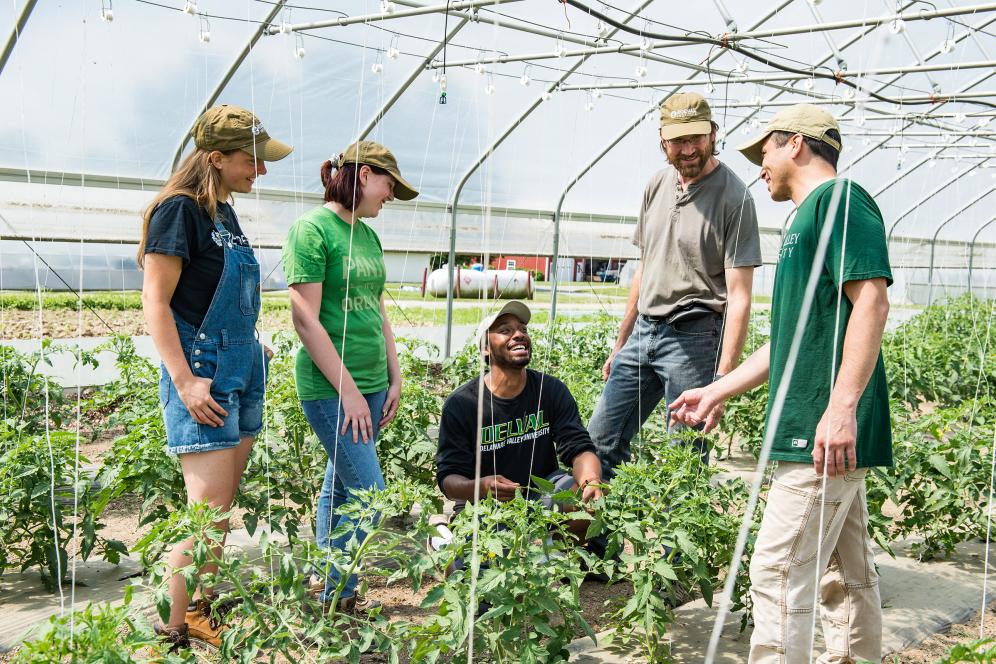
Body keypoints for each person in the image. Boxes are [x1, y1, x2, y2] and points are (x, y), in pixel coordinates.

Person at [670, 104, 892, 662]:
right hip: (816, 425)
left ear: (796, 144)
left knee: (776, 568)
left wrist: (840, 409)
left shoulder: (841, 202)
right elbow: (790, 340)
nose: (758, 165)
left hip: (821, 429)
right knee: (844, 571)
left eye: (763, 150)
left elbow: (871, 301)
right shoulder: (803, 220)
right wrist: (717, 388)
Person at [140, 104, 291, 650]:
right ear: (215, 158)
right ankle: (169, 632)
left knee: (221, 511)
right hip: (202, 373)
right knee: (204, 517)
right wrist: (183, 379)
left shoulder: (222, 212)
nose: (261, 171)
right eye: (252, 160)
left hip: (242, 366)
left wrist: (250, 341)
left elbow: (215, 291)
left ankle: (200, 614)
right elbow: (155, 301)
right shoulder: (177, 212)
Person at [587, 91, 761, 480]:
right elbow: (644, 268)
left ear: (713, 134)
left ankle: (672, 545)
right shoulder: (656, 186)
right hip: (644, 333)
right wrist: (621, 344)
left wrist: (722, 382)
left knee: (683, 459)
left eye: (696, 138)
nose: (688, 149)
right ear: (662, 141)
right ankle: (591, 539)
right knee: (600, 441)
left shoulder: (735, 198)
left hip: (694, 338)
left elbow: (740, 297)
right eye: (678, 141)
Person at [281, 141, 418, 614]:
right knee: (370, 495)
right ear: (363, 175)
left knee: (338, 485)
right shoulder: (312, 230)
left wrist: (394, 375)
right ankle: (340, 590)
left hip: (372, 383)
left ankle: (326, 583)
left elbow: (378, 310)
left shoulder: (367, 235)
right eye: (388, 185)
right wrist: (351, 394)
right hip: (332, 389)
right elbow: (305, 320)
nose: (391, 196)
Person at [435, 301, 603, 539]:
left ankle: (548, 551)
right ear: (485, 348)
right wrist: (482, 487)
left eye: (523, 329)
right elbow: (449, 479)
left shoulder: (550, 389)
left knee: (590, 500)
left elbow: (579, 448)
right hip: (485, 503)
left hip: (543, 489)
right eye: (505, 330)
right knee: (467, 571)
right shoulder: (463, 404)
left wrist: (591, 481)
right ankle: (442, 538)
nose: (518, 335)